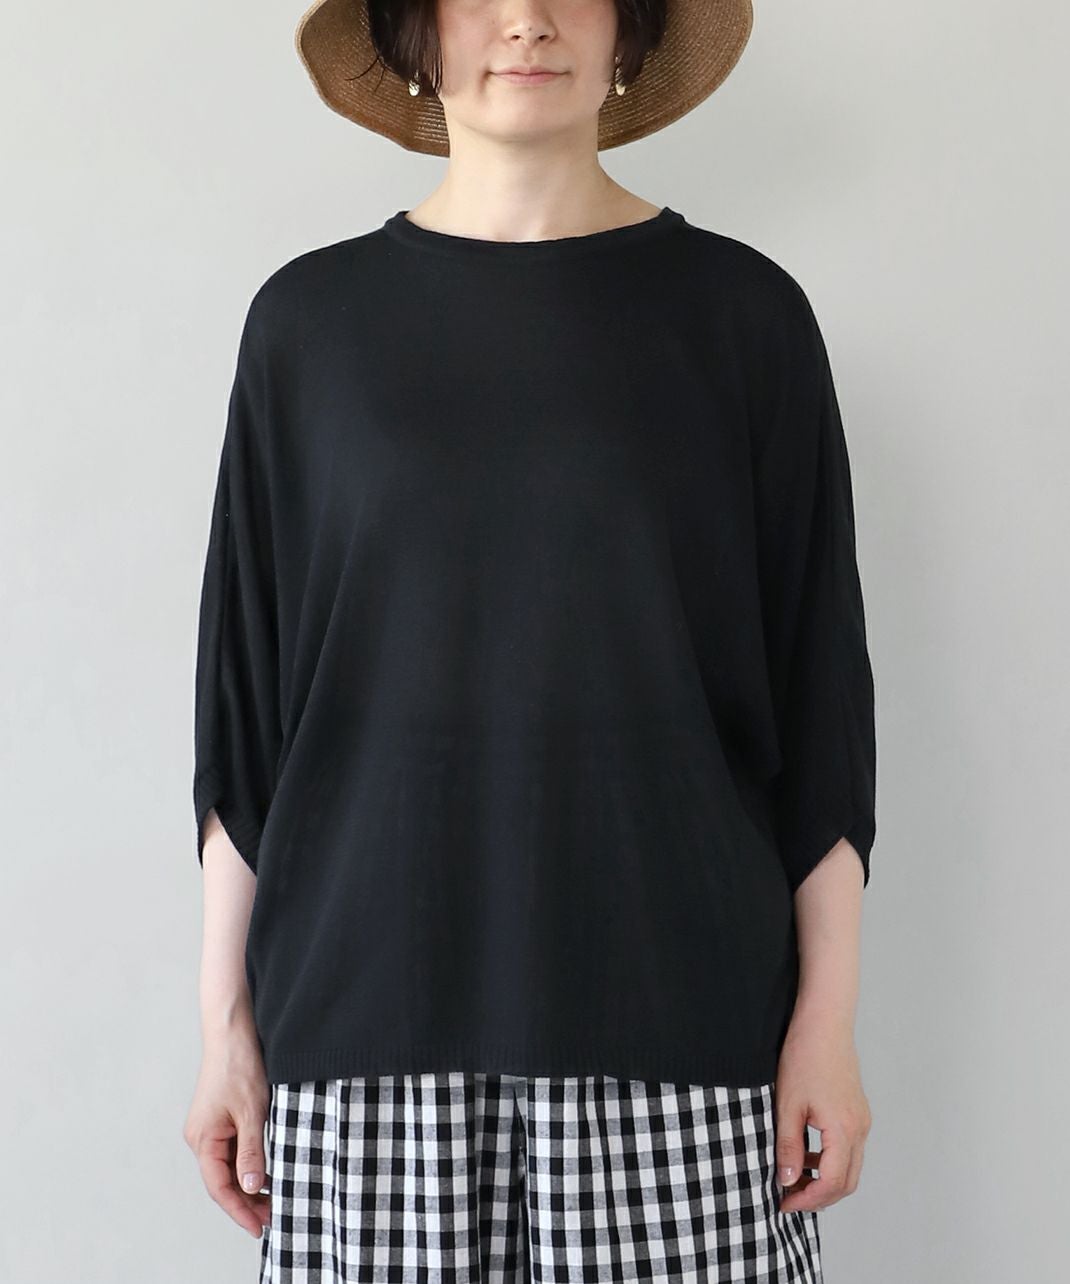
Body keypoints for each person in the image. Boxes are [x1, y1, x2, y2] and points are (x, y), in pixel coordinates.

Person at [182, 0, 878, 1279]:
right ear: (411, 33)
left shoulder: (743, 316)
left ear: (629, 32)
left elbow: (817, 702)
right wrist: (224, 1026)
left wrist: (824, 1024)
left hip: (682, 1029)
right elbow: (246, 712)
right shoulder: (307, 326)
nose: (526, 20)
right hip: (362, 1037)